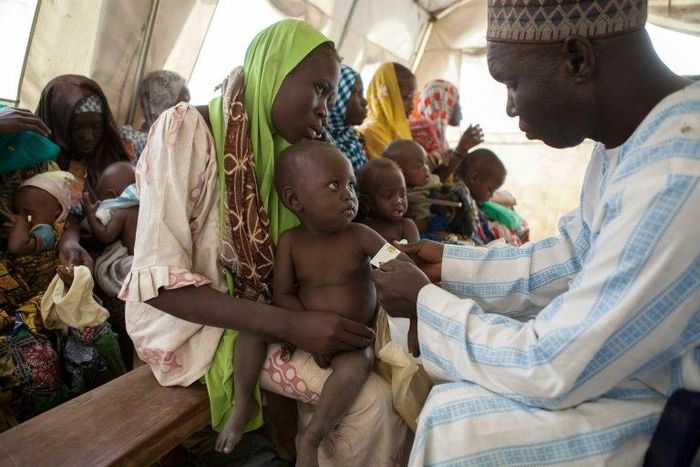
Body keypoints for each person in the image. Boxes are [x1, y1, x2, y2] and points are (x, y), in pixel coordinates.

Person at [372, 0, 700, 464]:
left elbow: (552, 365)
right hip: (640, 369)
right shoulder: (631, 141)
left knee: (456, 424)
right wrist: (450, 265)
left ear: (577, 59)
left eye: (512, 82)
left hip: (675, 406)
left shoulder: (678, 173)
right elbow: (573, 255)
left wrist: (428, 308)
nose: (509, 107)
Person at [119, 19, 408, 465]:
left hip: (272, 317)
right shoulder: (187, 131)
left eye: (332, 96)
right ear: (274, 69)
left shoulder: (293, 157)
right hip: (198, 331)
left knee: (399, 366)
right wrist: (291, 325)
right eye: (319, 88)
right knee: (372, 405)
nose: (323, 108)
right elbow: (157, 287)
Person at [218, 141, 390, 465]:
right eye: (334, 185)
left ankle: (312, 435)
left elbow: (395, 262)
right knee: (252, 331)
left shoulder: (361, 235)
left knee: (360, 364)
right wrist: (305, 329)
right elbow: (283, 293)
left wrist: (408, 265)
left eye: (351, 185)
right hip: (301, 327)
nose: (348, 194)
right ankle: (244, 403)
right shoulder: (291, 242)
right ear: (295, 200)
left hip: (351, 339)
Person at [36, 75, 132, 217]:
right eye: (76, 127)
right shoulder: (35, 161)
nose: (89, 136)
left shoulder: (114, 155)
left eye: (97, 126)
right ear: (57, 124)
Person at [410, 79, 484, 181]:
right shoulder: (422, 131)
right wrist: (461, 149)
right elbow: (435, 178)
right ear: (444, 102)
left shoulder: (437, 135)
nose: (460, 108)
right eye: (456, 101)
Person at [119, 70, 191, 158]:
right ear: (161, 105)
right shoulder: (143, 144)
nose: (188, 110)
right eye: (181, 105)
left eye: (187, 103)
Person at [358, 62, 416, 159]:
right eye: (406, 98)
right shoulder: (371, 133)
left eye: (412, 98)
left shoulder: (399, 129)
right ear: (387, 97)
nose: (412, 106)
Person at [383, 139, 441, 233]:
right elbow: (420, 226)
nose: (426, 169)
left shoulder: (426, 180)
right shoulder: (410, 195)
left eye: (426, 162)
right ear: (400, 173)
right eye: (418, 166)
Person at [357, 158, 419, 245]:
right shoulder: (362, 228)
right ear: (367, 201)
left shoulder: (406, 226)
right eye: (388, 196)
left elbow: (416, 254)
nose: (398, 201)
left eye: (402, 194)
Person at [84, 161, 138, 255]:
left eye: (102, 199)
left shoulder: (121, 214)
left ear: (113, 195)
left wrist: (90, 215)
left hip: (135, 259)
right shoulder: (147, 206)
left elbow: (105, 237)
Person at [325, 65, 368, 172]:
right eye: (358, 93)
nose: (365, 101)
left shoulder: (351, 136)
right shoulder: (322, 140)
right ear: (336, 97)